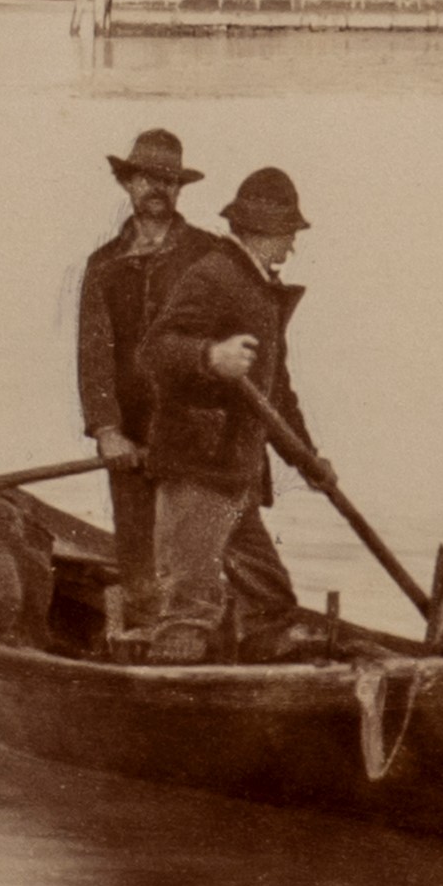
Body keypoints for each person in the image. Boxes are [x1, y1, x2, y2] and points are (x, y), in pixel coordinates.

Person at [132, 166, 327, 664]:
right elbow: (156, 350)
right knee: (189, 610)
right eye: (286, 235)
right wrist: (209, 356)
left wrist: (306, 459)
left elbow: (276, 392)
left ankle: (268, 658)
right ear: (260, 233)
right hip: (199, 467)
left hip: (236, 472)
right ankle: (173, 704)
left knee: (269, 602)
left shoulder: (261, 287)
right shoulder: (215, 274)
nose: (291, 247)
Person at [73, 128, 218, 642]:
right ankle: (139, 649)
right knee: (138, 560)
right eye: (146, 178)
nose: (157, 188)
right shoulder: (103, 267)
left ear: (180, 189)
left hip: (196, 438)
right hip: (130, 441)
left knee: (195, 561)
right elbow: (95, 357)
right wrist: (108, 430)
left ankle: (194, 645)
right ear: (127, 184)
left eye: (167, 179)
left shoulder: (209, 256)